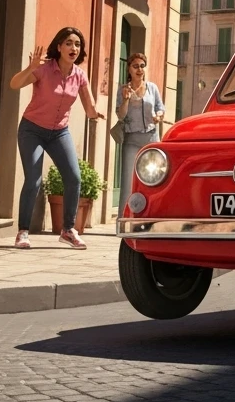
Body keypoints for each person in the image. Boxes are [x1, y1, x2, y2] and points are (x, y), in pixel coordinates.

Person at [9, 27, 106, 250]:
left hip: (59, 132)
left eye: (78, 44)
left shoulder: (79, 75)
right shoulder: (43, 69)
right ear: (59, 46)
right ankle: (23, 231)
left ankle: (68, 230)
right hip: (32, 129)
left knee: (74, 178)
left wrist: (96, 114)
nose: (74, 48)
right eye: (69, 43)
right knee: (34, 179)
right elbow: (14, 85)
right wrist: (30, 69)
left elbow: (89, 107)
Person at [116, 52, 165, 215]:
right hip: (131, 140)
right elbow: (120, 115)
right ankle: (123, 220)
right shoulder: (123, 90)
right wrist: (125, 100)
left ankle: (151, 216)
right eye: (135, 66)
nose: (139, 69)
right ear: (129, 69)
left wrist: (158, 116)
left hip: (151, 138)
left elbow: (160, 107)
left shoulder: (152, 88)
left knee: (154, 179)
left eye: (142, 66)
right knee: (129, 182)